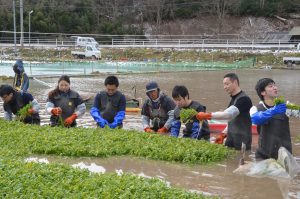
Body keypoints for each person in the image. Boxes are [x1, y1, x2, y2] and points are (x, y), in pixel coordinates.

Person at [196, 73, 253, 150]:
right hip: (231, 138)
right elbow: (232, 120)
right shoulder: (234, 99)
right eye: (224, 85)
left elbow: (228, 115)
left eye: (227, 84)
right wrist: (223, 134)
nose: (224, 87)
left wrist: (207, 115)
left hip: (242, 141)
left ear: (235, 82)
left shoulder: (244, 100)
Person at [250, 78, 292, 160]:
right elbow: (256, 119)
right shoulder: (255, 108)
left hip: (284, 155)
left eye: (275, 85)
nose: (275, 88)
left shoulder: (286, 106)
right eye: (270, 86)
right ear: (263, 92)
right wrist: (273, 111)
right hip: (263, 155)